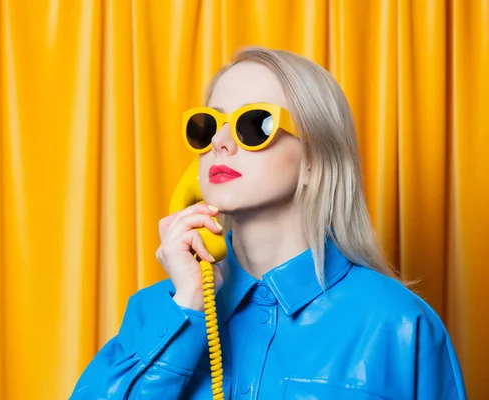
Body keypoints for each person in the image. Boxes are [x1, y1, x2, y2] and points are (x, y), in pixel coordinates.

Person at [70, 47, 466, 399]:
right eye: (209, 125)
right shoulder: (159, 311)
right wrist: (188, 305)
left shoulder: (398, 324)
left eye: (254, 124)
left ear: (314, 161)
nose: (220, 142)